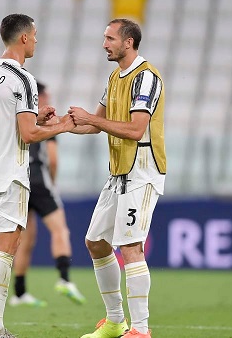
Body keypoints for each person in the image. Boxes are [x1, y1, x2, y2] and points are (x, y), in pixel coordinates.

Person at [0, 13, 75, 338]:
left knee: (1, 244)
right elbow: (27, 135)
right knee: (7, 246)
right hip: (8, 171)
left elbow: (4, 119)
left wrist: (35, 114)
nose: (37, 41)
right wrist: (64, 126)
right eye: (35, 35)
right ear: (24, 38)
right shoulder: (22, 78)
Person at [68, 18, 166, 338]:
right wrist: (57, 124)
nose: (104, 43)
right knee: (95, 242)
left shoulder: (146, 78)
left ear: (128, 42)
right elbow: (94, 123)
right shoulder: (114, 77)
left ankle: (140, 330)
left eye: (110, 38)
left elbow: (136, 130)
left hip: (141, 173)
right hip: (118, 173)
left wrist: (90, 119)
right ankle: (115, 322)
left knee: (131, 246)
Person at [9, 81, 86, 307]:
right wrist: (52, 182)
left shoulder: (21, 117)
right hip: (41, 182)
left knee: (25, 240)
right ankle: (64, 278)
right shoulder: (47, 121)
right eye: (46, 96)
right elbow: (52, 158)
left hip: (19, 181)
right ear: (39, 97)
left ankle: (20, 292)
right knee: (60, 229)